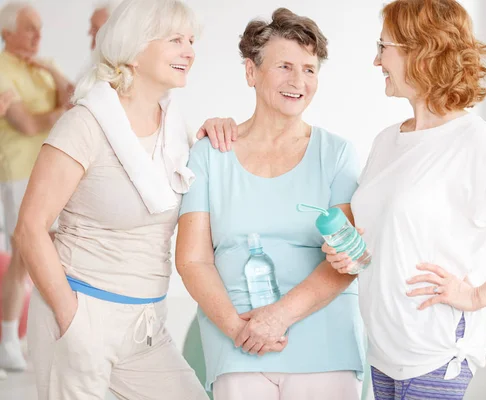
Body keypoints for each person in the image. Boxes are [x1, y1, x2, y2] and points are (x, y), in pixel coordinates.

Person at [321, 1, 486, 399]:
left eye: (383, 46)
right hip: (383, 353)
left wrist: (477, 296)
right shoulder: (387, 140)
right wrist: (348, 253)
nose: (375, 60)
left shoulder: (473, 141)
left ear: (419, 51)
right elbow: (385, 235)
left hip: (436, 356)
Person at [15, 0, 209, 398]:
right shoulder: (84, 124)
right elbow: (29, 230)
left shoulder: (176, 129)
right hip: (80, 311)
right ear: (134, 48)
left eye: (191, 40)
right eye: (175, 39)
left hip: (146, 323)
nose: (189, 50)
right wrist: (72, 318)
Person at [176, 8, 365, 400]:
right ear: (251, 72)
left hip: (324, 337)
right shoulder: (211, 153)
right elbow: (192, 259)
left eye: (310, 69)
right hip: (237, 337)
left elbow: (346, 262)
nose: (299, 81)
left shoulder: (337, 154)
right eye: (285, 66)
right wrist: (238, 328)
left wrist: (277, 318)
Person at [0, 1, 72, 372]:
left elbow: (72, 98)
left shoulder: (42, 68)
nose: (38, 36)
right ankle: (10, 338)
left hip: (53, 170)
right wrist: (58, 114)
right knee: (25, 257)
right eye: (30, 28)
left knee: (56, 255)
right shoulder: (1, 69)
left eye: (40, 28)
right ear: (6, 32)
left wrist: (50, 71)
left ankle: (46, 337)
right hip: (18, 173)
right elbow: (26, 125)